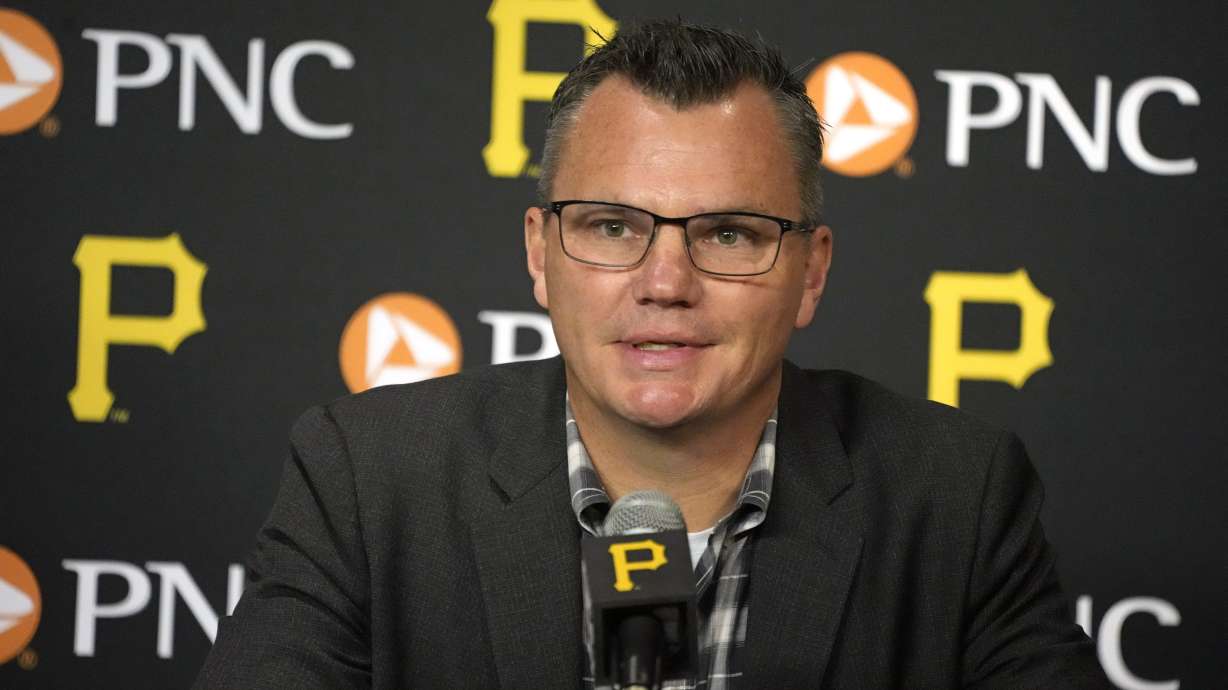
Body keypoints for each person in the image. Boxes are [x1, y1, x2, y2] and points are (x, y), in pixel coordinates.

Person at [195, 20, 1110, 689]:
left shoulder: (955, 495)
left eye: (727, 233)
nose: (665, 281)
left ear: (810, 270)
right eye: (610, 225)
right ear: (538, 256)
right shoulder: (367, 477)